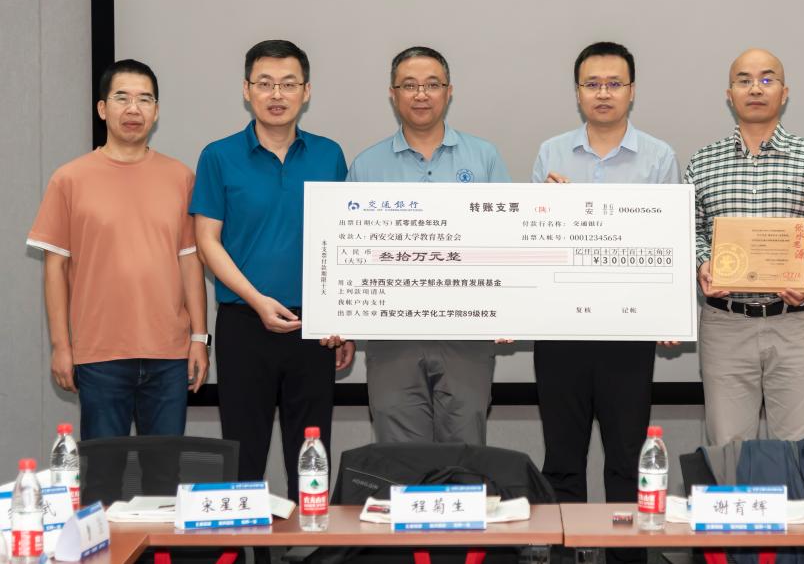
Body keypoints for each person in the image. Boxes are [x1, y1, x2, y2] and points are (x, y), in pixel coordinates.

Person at [190, 40, 354, 501]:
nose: (276, 94)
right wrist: (258, 301)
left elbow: (344, 240)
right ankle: (242, 540)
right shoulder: (218, 156)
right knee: (243, 455)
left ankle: (311, 538)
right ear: (247, 90)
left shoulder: (328, 155)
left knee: (311, 458)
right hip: (244, 323)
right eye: (265, 83)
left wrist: (345, 318)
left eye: (288, 84)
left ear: (306, 91)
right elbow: (207, 241)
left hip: (314, 328)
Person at [531, 41, 681, 505]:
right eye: (592, 84)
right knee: (562, 458)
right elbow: (534, 242)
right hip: (561, 331)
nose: (603, 93)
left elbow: (669, 241)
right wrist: (547, 211)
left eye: (614, 83)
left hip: (628, 331)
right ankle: (564, 544)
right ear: (577, 92)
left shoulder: (659, 156)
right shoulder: (551, 152)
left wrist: (669, 312)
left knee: (626, 458)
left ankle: (625, 544)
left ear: (631, 91)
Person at [27, 59, 209, 439]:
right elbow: (55, 268)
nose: (133, 109)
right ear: (102, 108)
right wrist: (61, 346)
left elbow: (190, 262)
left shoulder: (180, 177)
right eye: (122, 98)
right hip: (100, 355)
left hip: (169, 355)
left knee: (164, 469)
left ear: (156, 111)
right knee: (103, 469)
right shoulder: (69, 179)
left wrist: (198, 339)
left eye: (145, 99)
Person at [348, 45, 511, 444]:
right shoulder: (366, 165)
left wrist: (510, 309)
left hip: (467, 333)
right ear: (393, 94)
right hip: (392, 336)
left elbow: (506, 238)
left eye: (432, 85)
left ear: (449, 91)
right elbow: (348, 253)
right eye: (409, 85)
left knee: (465, 451)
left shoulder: (484, 157)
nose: (421, 94)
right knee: (399, 454)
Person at [685, 48, 804, 445]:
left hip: (794, 323)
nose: (756, 88)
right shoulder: (702, 162)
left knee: (795, 450)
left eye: (767, 79)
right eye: (744, 80)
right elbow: (690, 231)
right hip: (726, 324)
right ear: (729, 94)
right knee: (728, 451)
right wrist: (704, 262)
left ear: (784, 93)